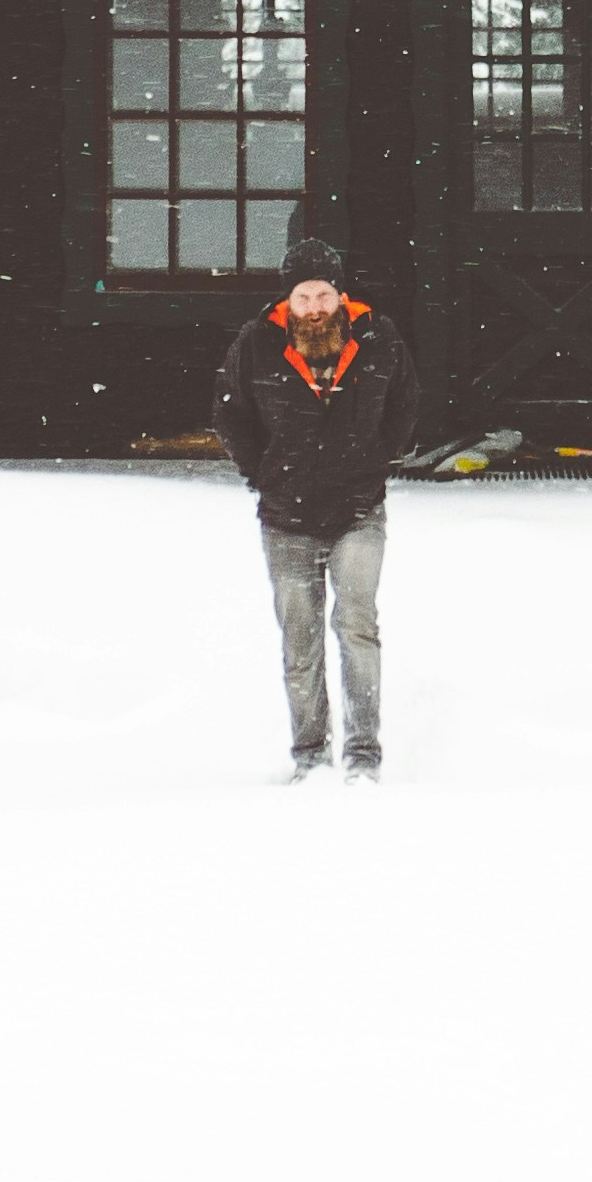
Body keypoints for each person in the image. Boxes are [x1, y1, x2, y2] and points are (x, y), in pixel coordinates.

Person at [218, 236, 416, 780]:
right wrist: (263, 473)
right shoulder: (256, 343)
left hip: (358, 511)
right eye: (303, 297)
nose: (314, 308)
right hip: (286, 518)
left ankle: (363, 754)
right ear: (288, 302)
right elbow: (231, 415)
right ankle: (309, 756)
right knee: (300, 639)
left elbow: (404, 403)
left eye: (323, 295)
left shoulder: (379, 338)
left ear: (340, 295)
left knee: (357, 628)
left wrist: (376, 460)